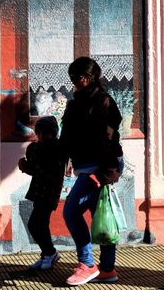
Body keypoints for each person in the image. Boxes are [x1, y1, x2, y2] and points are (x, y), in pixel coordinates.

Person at [61, 56, 124, 286]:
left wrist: (105, 175)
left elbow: (110, 139)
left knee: (71, 212)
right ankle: (107, 269)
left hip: (100, 165)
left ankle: (87, 264)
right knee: (101, 215)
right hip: (86, 166)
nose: (73, 83)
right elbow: (66, 139)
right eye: (71, 79)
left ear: (87, 78)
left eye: (76, 78)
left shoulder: (103, 102)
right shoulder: (76, 103)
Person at [17, 116, 67, 270]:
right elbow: (37, 168)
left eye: (46, 133)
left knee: (35, 224)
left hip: (48, 192)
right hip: (42, 192)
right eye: (40, 133)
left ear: (52, 133)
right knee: (40, 224)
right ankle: (47, 254)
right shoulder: (47, 147)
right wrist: (27, 165)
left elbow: (42, 168)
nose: (42, 137)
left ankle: (50, 253)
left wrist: (25, 166)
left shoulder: (53, 148)